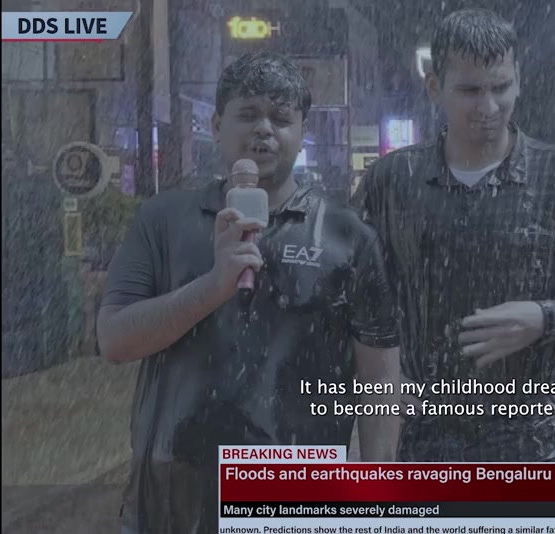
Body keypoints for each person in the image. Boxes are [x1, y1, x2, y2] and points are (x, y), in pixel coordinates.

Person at [98, 51, 402, 534]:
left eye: (280, 118)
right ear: (217, 124)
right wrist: (210, 288)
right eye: (248, 114)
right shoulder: (163, 220)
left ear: (303, 132)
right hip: (171, 496)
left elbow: (379, 381)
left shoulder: (348, 238)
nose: (264, 129)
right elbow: (115, 340)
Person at [350, 8, 555, 462]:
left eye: (500, 87)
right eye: (470, 91)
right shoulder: (391, 182)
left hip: (537, 441)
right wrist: (379, 382)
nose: (488, 108)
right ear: (434, 87)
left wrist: (544, 317)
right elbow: (351, 298)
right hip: (422, 441)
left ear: (519, 80)